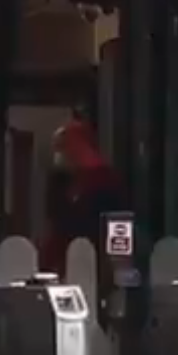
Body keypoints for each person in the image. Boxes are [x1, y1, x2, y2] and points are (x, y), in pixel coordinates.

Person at [41, 113, 126, 271]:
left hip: (97, 261)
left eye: (62, 147)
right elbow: (55, 222)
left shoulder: (105, 181)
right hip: (64, 261)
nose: (58, 155)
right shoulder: (60, 181)